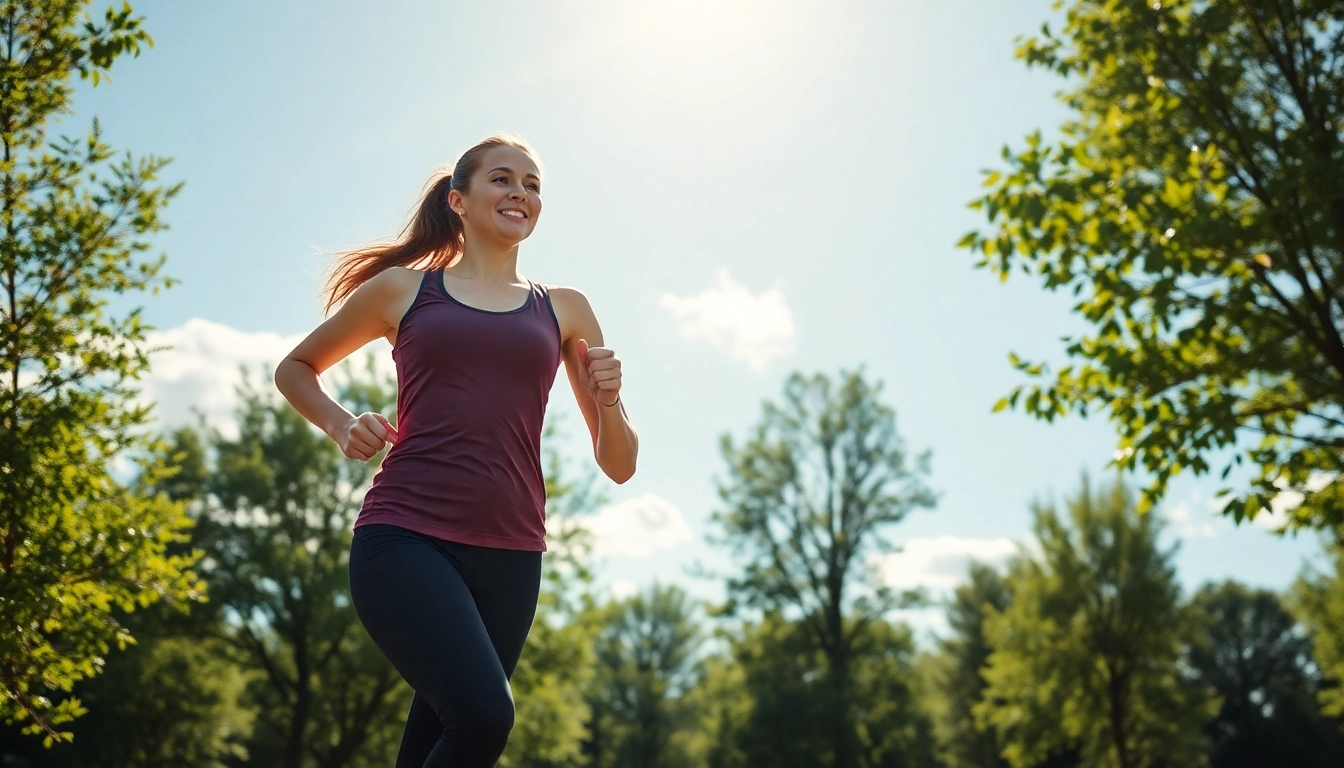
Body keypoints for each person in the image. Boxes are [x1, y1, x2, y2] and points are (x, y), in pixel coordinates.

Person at [274, 133, 638, 767]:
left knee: (442, 738)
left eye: (532, 186)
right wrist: (339, 425)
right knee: (484, 718)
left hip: (513, 555)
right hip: (406, 537)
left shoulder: (567, 311)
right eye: (502, 179)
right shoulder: (404, 292)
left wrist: (609, 399)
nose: (520, 193)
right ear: (459, 201)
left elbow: (619, 463)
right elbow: (296, 368)